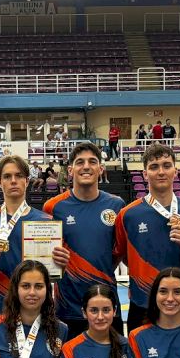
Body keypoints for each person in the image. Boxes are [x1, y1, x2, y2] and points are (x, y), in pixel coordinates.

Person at [114, 143, 180, 332]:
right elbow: (122, 257)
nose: (161, 172)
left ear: (175, 171)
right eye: (154, 167)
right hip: (143, 304)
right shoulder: (128, 215)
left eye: (166, 166)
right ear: (145, 174)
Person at [43, 141, 124, 338]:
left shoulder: (116, 205)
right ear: (70, 170)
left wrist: (97, 270)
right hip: (67, 308)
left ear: (101, 169)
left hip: (106, 306)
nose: (86, 166)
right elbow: (46, 259)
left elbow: (118, 253)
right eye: (80, 162)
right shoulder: (52, 207)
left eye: (92, 162)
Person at [0, 154, 53, 322]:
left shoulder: (45, 221)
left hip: (34, 305)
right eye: (7, 176)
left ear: (27, 180)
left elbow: (51, 272)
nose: (13, 181)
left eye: (19, 176)